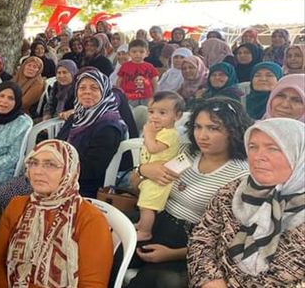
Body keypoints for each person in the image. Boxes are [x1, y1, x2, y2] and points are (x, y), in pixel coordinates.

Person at [127, 98, 253, 288]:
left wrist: (172, 253)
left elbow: (227, 238)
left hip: (192, 241)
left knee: (162, 281)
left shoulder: (240, 174)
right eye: (198, 127)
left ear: (233, 131)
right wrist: (143, 170)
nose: (202, 135)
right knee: (105, 248)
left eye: (213, 128)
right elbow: (137, 187)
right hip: (155, 221)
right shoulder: (187, 154)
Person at [187, 118, 305, 288]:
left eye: (273, 148)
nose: (258, 157)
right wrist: (210, 280)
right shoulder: (234, 190)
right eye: (252, 147)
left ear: (299, 154)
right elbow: (202, 237)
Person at [0, 139, 114, 288]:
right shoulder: (18, 205)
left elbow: (91, 285)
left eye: (50, 165)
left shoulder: (90, 219)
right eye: (33, 163)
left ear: (70, 171)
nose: (38, 171)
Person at [57, 69, 127, 197]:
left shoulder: (109, 126)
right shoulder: (77, 116)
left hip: (82, 187)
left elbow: (92, 170)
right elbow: (57, 144)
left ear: (104, 92)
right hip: (60, 174)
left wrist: (56, 171)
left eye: (94, 88)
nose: (87, 92)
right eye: (82, 88)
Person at [135, 92, 184, 242]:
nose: (155, 117)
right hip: (150, 174)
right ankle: (142, 224)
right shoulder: (160, 131)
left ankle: (145, 232)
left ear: (177, 116)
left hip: (159, 178)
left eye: (162, 113)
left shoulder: (170, 133)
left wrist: (148, 134)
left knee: (147, 206)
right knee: (143, 203)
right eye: (151, 112)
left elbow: (153, 149)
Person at [0, 82, 33, 189]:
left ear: (17, 102)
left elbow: (13, 157)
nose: (4, 101)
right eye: (1, 96)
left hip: (1, 170)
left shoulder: (21, 124)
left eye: (11, 98)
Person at [117, 39, 159, 107]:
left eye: (141, 52)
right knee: (131, 113)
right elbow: (119, 80)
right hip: (129, 96)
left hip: (146, 96)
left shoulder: (149, 66)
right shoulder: (125, 66)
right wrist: (119, 93)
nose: (137, 54)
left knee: (146, 113)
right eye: (134, 52)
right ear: (129, 53)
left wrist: (155, 94)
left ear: (147, 53)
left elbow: (154, 81)